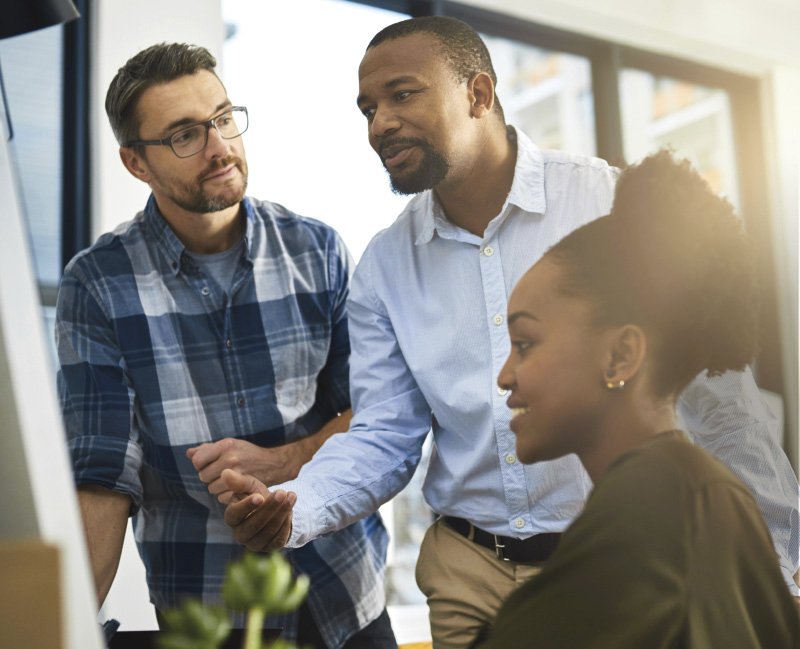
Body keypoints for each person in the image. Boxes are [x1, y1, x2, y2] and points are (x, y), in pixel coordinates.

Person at [221, 16, 800, 648]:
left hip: (617, 554)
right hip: (468, 571)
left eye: (402, 94)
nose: (378, 124)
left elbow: (720, 400)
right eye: (367, 109)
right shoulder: (385, 266)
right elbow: (384, 434)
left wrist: (772, 566)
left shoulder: (605, 204)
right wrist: (295, 508)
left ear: (479, 93)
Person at [55, 42, 395, 649]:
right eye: (185, 134)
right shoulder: (97, 284)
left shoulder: (316, 250)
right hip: (213, 618)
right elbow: (103, 475)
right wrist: (59, 626)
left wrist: (285, 461)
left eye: (221, 118)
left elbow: (374, 415)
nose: (219, 147)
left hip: (348, 597)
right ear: (136, 163)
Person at [473, 150, 800, 648]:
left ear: (621, 355)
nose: (504, 376)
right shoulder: (706, 493)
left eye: (526, 344)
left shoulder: (640, 523)